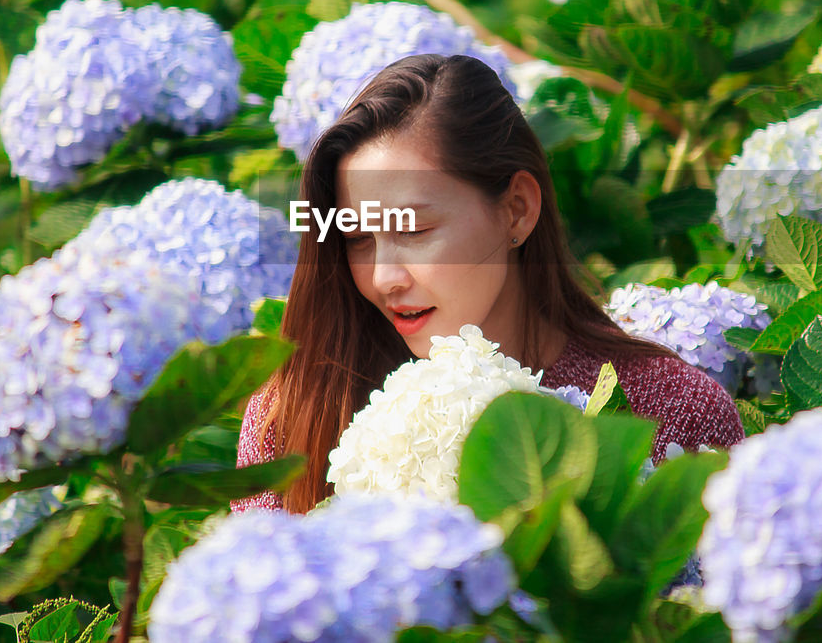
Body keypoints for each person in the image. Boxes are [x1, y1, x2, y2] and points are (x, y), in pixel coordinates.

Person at [233, 53, 743, 514]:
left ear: (516, 210)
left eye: (413, 229)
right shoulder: (293, 417)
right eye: (357, 238)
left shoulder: (672, 409)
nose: (384, 277)